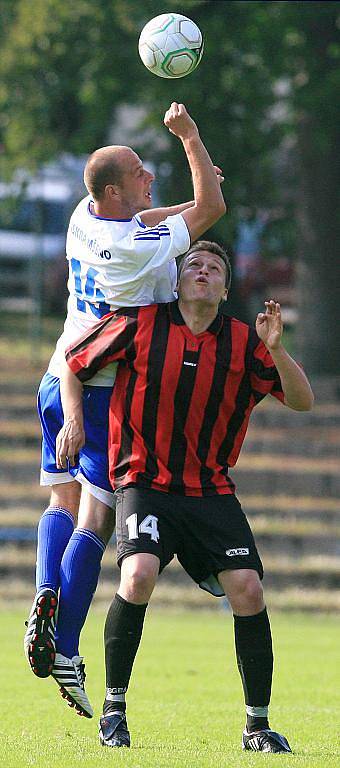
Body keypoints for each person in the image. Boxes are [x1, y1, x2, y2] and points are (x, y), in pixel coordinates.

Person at [56, 239, 314, 752]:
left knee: (249, 589)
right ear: (175, 282)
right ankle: (114, 712)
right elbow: (73, 363)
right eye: (193, 264)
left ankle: (257, 726)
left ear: (225, 288)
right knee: (138, 573)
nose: (202, 271)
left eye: (214, 267)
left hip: (210, 491)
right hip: (145, 483)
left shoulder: (246, 343)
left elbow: (303, 402)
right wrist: (73, 419)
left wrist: (278, 349)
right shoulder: (140, 322)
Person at [23, 103, 226, 718]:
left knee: (58, 504)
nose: (151, 179)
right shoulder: (135, 249)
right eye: (141, 173)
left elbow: (152, 217)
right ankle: (65, 646)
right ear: (116, 190)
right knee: (97, 521)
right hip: (103, 389)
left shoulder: (85, 216)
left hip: (57, 377)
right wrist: (190, 137)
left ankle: (43, 595)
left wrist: (173, 208)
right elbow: (210, 211)